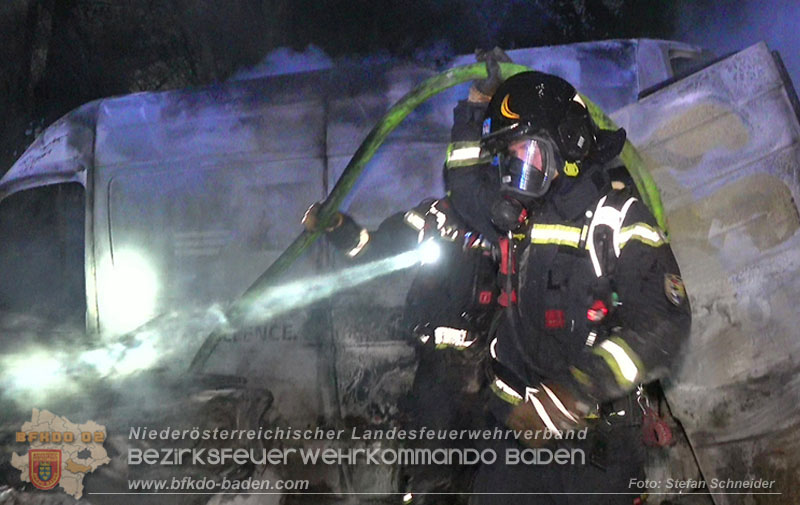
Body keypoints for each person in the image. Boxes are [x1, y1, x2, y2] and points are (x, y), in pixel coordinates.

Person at [460, 71, 692, 504]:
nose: (514, 177)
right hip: (515, 439)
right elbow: (463, 187)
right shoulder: (517, 219)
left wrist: (576, 390)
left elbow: (665, 323)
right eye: (507, 161)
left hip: (595, 451)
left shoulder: (618, 219)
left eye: (525, 157)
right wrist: (473, 108)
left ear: (570, 145)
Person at [302, 48, 514, 505]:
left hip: (497, 376)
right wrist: (338, 228)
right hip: (440, 375)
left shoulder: (515, 226)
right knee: (429, 483)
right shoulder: (432, 220)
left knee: (492, 485)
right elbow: (370, 249)